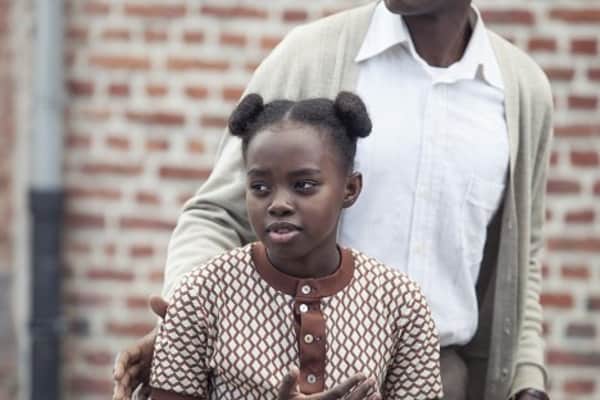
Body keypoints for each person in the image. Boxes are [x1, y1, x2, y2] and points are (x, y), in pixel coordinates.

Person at [113, 1, 553, 399]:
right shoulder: (309, 56)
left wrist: (527, 376)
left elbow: (522, 260)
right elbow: (217, 214)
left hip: (440, 378)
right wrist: (187, 325)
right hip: (287, 373)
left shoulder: (522, 91)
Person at [148, 92, 443, 399]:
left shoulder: (399, 302)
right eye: (260, 187)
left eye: (303, 185)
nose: (278, 204)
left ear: (350, 189)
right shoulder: (202, 295)